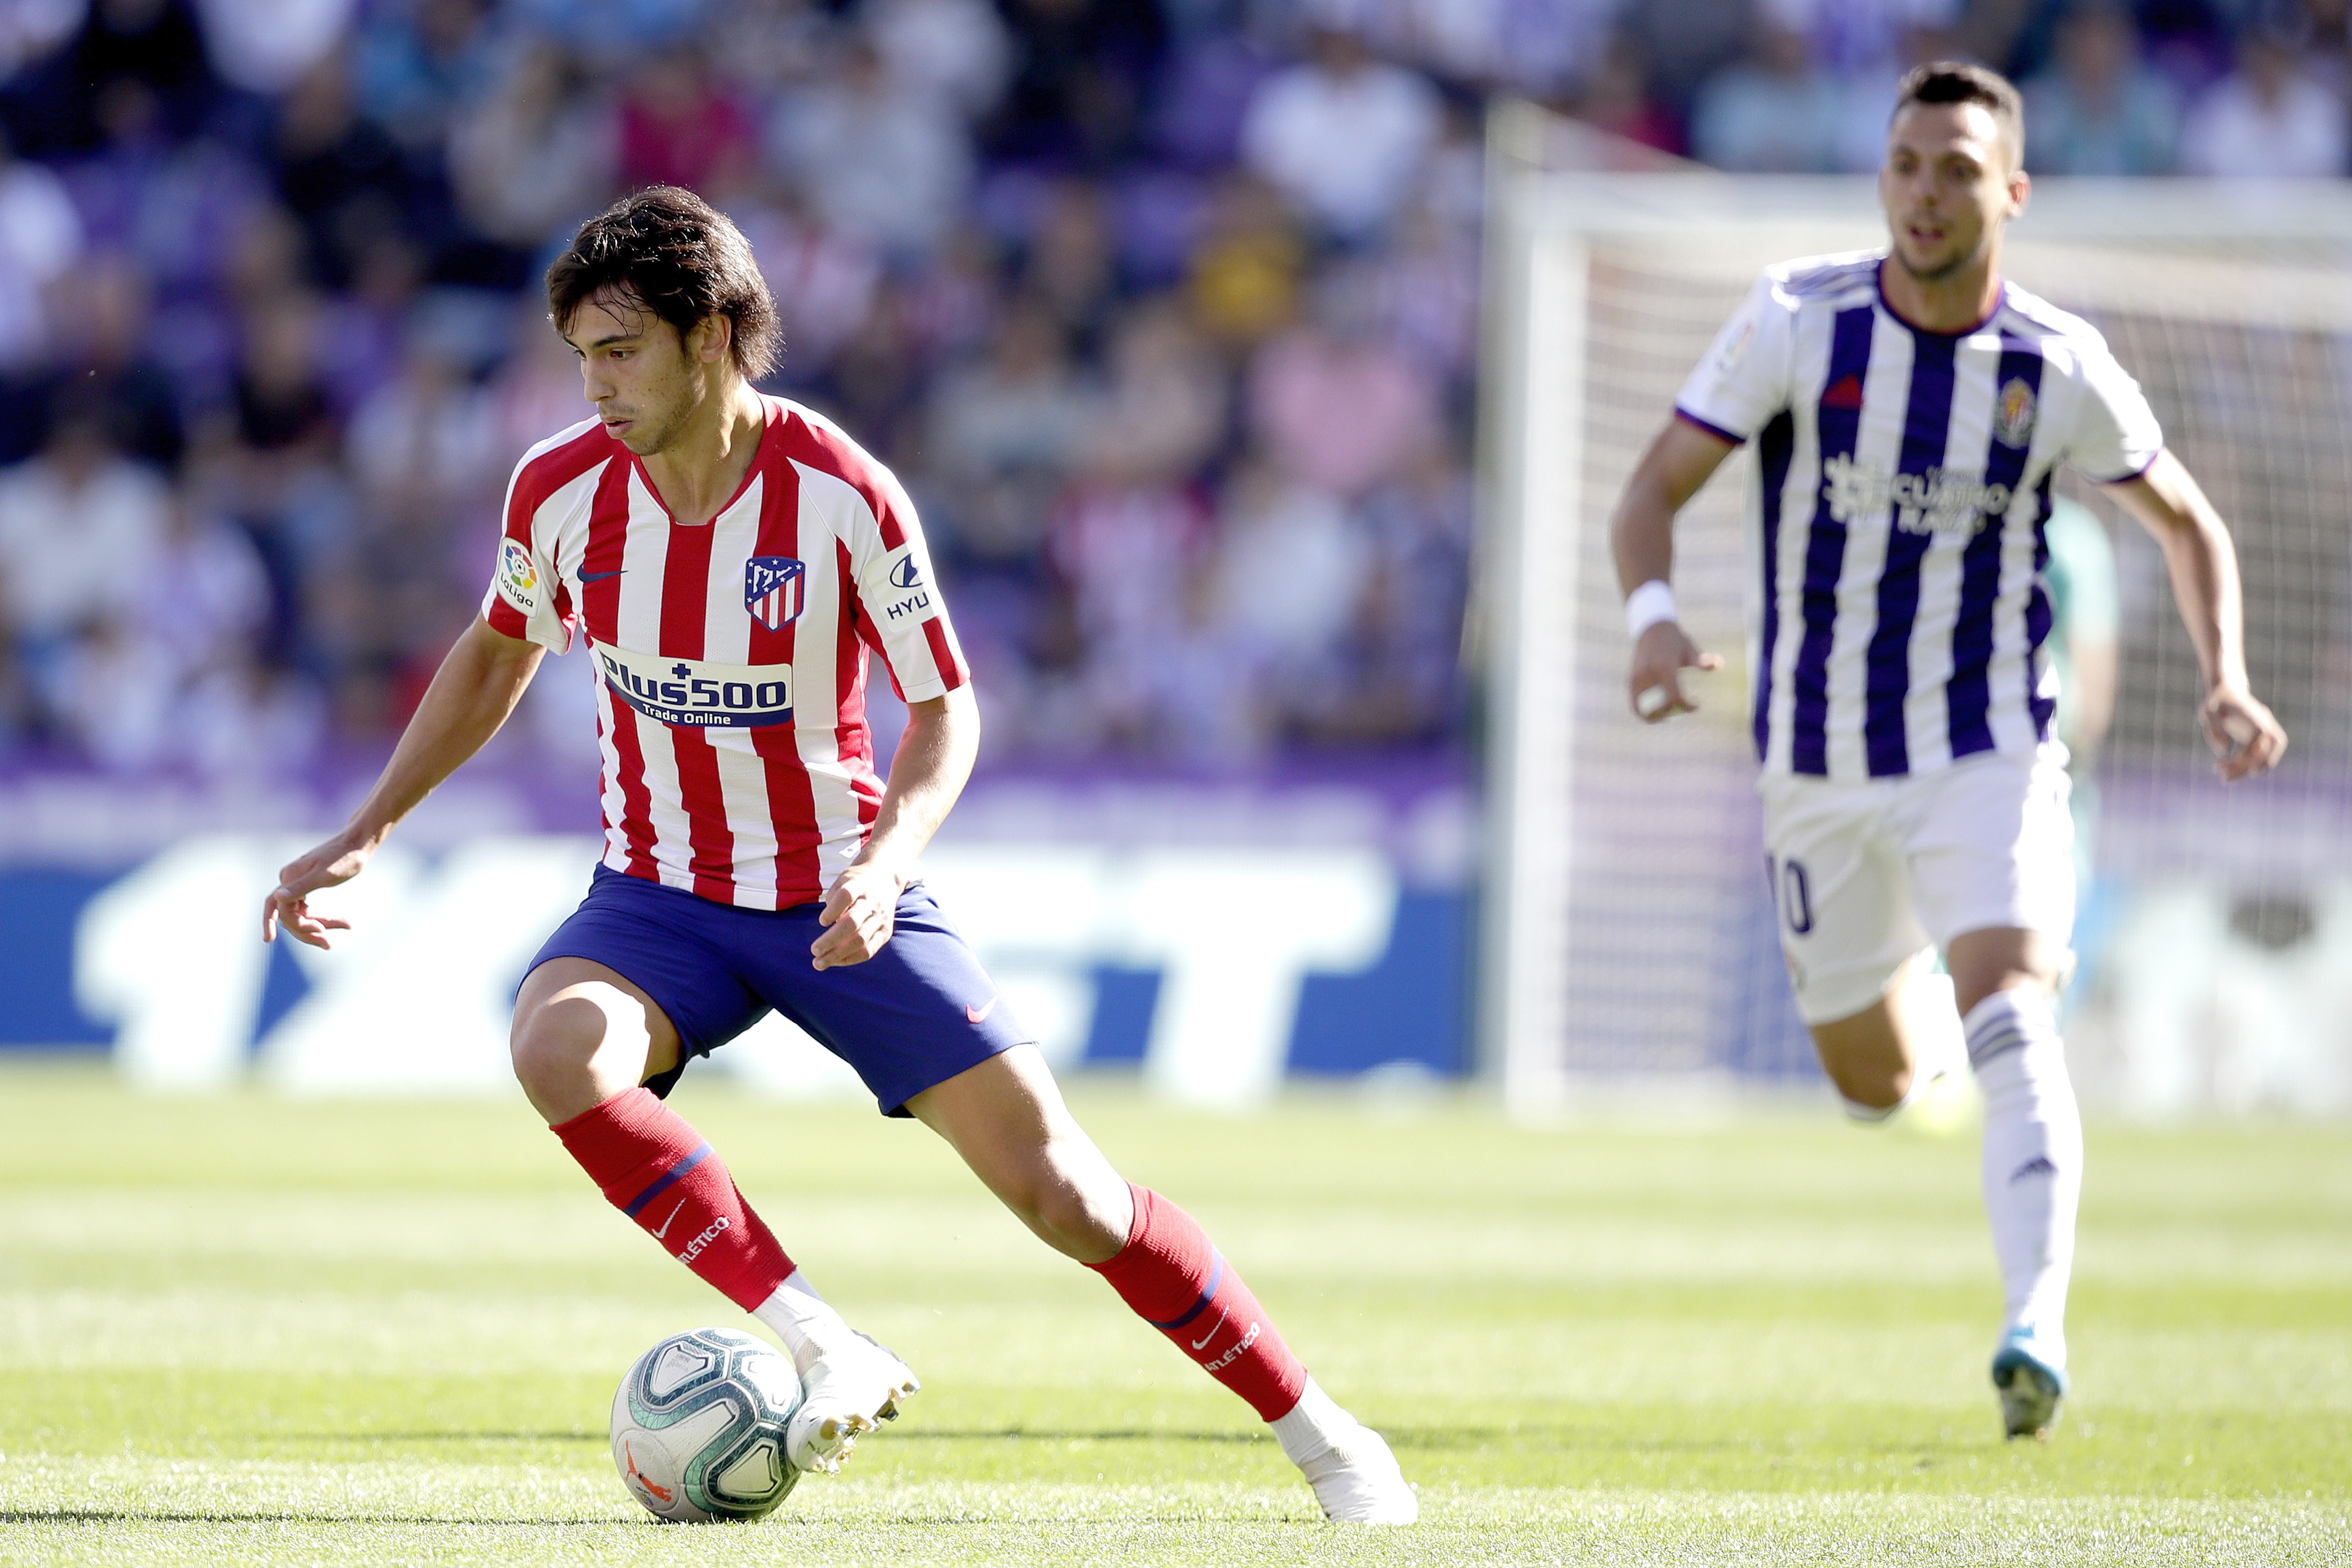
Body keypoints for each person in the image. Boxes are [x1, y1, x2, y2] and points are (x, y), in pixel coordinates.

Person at [260, 187, 1415, 1526]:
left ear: (712, 337)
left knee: (1068, 1196)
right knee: (554, 1052)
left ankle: (1327, 1437)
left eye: (620, 350)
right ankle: (822, 1342)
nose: (594, 385)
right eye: (580, 354)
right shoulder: (559, 488)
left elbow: (947, 706)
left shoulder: (841, 493)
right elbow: (498, 651)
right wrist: (366, 826)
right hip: (657, 896)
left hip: (835, 893)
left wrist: (883, 860)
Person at [1606, 63, 2286, 1441]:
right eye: (1908, 165)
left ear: (2010, 193)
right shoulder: (1796, 320)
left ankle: (2032, 1325)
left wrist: (2223, 678)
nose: (1926, 192)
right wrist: (1654, 618)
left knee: (2013, 1006)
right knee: (1868, 1084)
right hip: (1818, 759)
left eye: (1957, 170)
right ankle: (1923, 974)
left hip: (1987, 738)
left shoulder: (2054, 362)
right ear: (1882, 179)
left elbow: (2185, 525)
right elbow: (1653, 487)